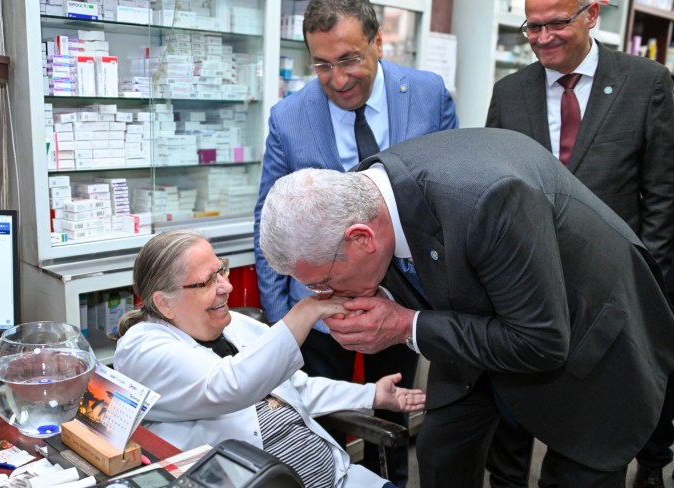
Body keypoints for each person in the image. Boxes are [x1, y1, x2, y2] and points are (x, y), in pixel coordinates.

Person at [258, 128, 674, 488]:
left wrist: (405, 326)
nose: (325, 293)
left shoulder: (488, 200)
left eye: (324, 281)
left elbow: (540, 342)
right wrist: (387, 302)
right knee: (441, 454)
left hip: (590, 336)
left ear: (361, 238)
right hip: (485, 330)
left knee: (577, 472)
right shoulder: (360, 195)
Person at [254, 1, 457, 481]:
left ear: (378, 42)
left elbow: (450, 192)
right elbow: (269, 218)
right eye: (322, 65)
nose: (338, 79)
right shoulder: (289, 117)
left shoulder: (427, 95)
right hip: (322, 307)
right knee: (321, 426)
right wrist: (285, 318)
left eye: (349, 59)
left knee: (395, 412)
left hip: (405, 295)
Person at [485, 1, 674, 486]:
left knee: (597, 421)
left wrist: (645, 280)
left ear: (591, 15)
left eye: (557, 23)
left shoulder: (645, 82)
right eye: (533, 26)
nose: (542, 37)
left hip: (611, 287)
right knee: (515, 412)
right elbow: (491, 186)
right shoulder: (510, 92)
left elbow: (662, 193)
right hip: (527, 285)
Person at [112, 230, 426, 488]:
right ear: (164, 303)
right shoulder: (142, 347)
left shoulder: (235, 325)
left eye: (221, 270)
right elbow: (228, 384)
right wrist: (306, 311)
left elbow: (298, 388)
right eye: (207, 281)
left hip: (341, 479)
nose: (227, 286)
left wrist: (371, 394)